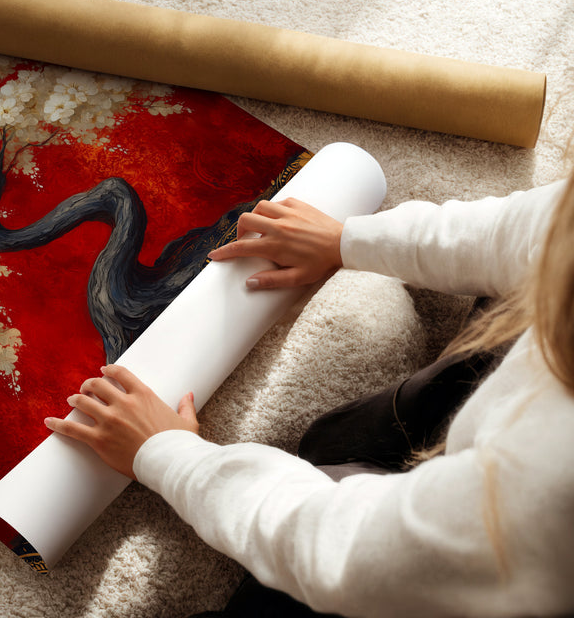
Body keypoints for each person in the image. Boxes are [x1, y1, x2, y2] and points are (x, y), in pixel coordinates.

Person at [44, 177, 574, 617]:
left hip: (489, 569)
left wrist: (168, 455)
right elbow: (535, 228)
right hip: (505, 451)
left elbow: (345, 550)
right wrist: (347, 240)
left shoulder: (548, 488)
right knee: (339, 440)